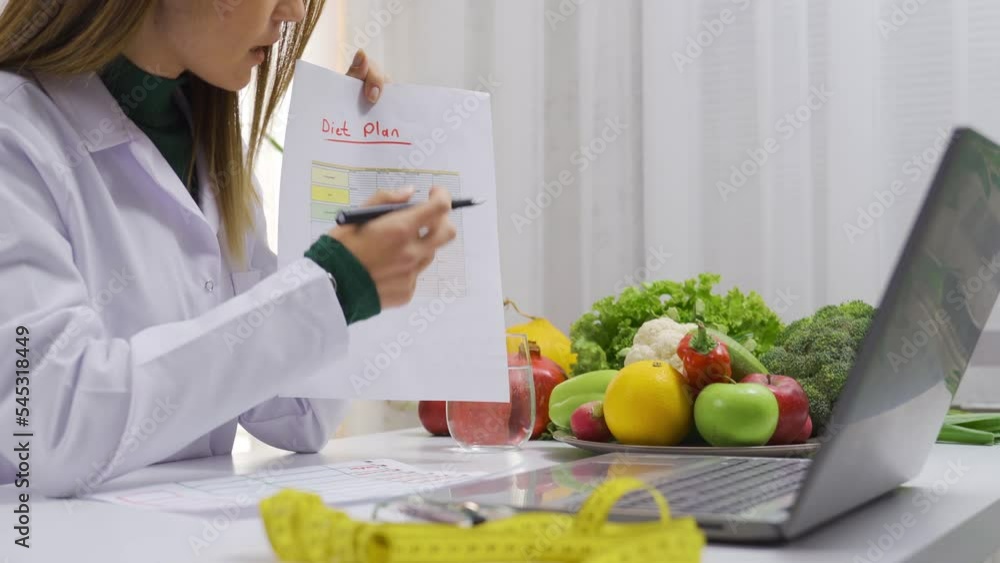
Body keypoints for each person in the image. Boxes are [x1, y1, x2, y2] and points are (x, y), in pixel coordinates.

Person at [0, 0, 456, 497]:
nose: (294, 13)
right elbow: (46, 424)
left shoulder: (203, 136)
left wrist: (346, 168)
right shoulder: (14, 130)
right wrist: (330, 286)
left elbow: (296, 414)